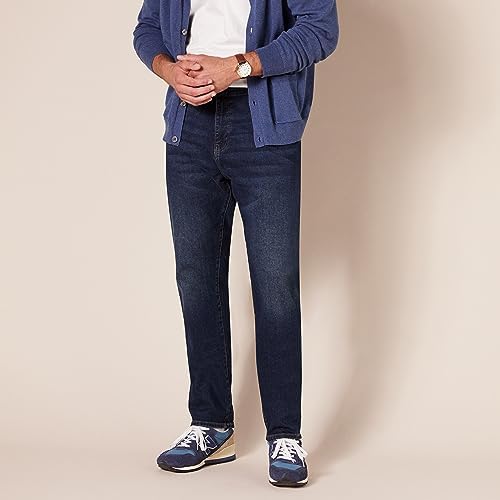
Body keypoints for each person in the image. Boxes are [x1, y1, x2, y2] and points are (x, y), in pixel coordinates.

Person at [132, 0, 339, 488]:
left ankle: (284, 434)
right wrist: (169, 71)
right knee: (196, 280)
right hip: (189, 124)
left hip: (262, 123)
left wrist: (239, 66)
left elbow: (320, 30)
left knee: (275, 285)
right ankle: (211, 424)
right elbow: (147, 28)